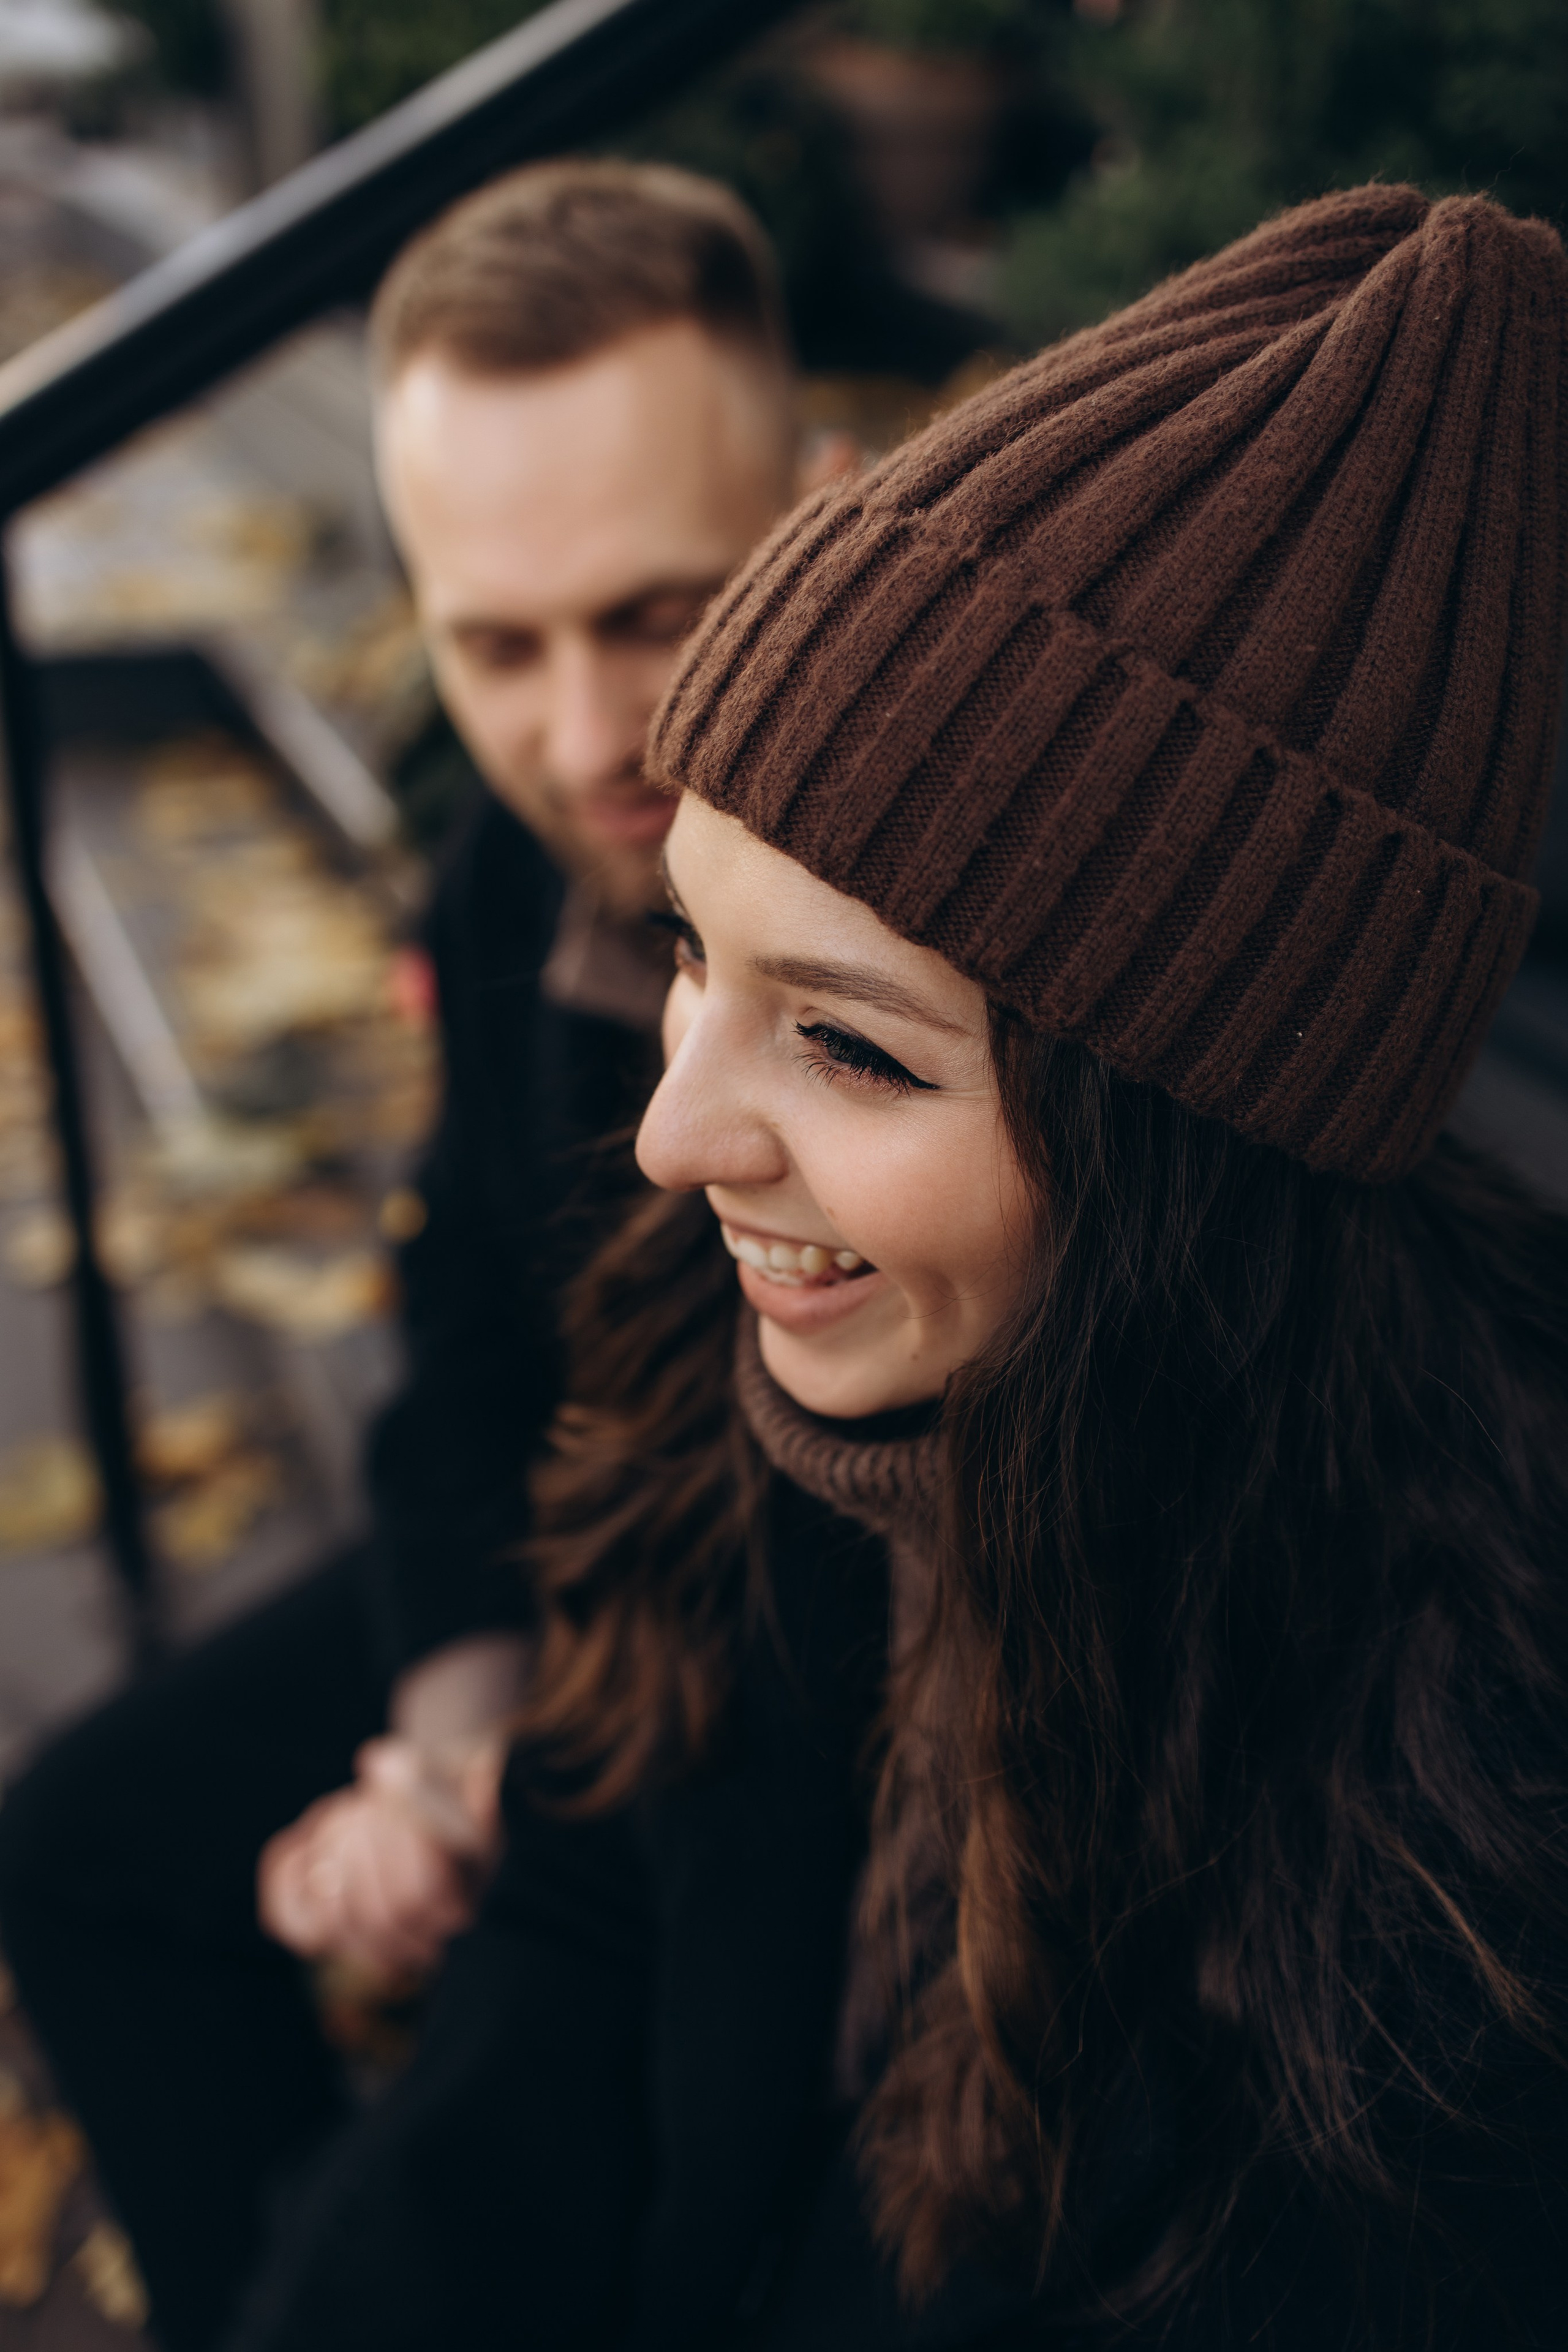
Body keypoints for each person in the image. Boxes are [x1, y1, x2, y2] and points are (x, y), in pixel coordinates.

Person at [202, 184, 1568, 2348]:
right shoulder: (752, 1398)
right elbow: (573, 1950)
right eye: (691, 956)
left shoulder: (1435, 1925)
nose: (669, 1136)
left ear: (1192, 1143)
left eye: (846, 1039)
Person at [0, 160, 827, 2351]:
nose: (581, 740)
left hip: (772, 1722)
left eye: (660, 611)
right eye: (497, 641)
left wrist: (505, 1775)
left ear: (817, 491)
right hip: (552, 1608)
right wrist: (450, 1721)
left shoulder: (906, 916)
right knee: (82, 1843)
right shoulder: (506, 867)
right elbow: (461, 1333)